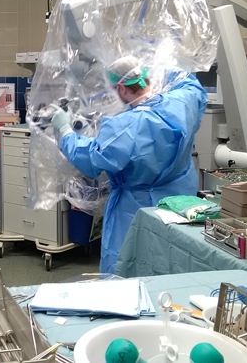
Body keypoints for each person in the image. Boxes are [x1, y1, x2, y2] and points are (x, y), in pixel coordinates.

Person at [51, 56, 207, 274]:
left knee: (131, 265)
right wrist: (160, 62)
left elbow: (90, 159)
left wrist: (65, 131)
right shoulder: (182, 101)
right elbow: (191, 83)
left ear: (122, 89)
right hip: (180, 200)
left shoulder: (127, 126)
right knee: (174, 259)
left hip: (137, 208)